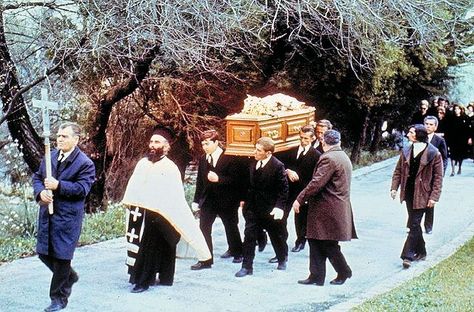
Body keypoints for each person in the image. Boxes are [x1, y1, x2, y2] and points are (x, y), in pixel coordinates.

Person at [122, 130, 211, 293]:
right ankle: (144, 278)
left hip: (163, 213)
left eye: (157, 142)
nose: (152, 145)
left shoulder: (170, 167)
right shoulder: (142, 163)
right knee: (146, 246)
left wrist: (167, 210)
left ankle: (148, 280)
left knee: (161, 244)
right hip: (142, 212)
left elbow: (175, 195)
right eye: (151, 142)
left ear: (166, 146)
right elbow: (133, 187)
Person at [32, 122, 95, 312]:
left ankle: (58, 298)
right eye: (58, 136)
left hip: (67, 218)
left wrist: (59, 185)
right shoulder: (49, 157)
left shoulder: (84, 163)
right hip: (48, 215)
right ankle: (70, 276)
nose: (59, 139)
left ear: (76, 140)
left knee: (61, 257)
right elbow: (37, 177)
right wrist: (41, 192)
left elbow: (82, 189)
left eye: (64, 136)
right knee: (43, 252)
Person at [292, 130, 357, 286]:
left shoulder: (328, 158)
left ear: (323, 142)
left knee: (328, 243)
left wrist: (299, 199)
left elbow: (316, 183)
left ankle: (343, 271)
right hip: (331, 207)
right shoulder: (342, 155)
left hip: (327, 208)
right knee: (314, 239)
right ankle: (316, 275)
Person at [391, 125, 443, 269]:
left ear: (418, 135)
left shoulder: (434, 153)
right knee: (415, 223)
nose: (408, 134)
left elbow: (438, 178)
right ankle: (422, 251)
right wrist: (394, 188)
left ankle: (407, 255)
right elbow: (398, 171)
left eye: (411, 132)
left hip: (424, 194)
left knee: (413, 223)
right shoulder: (407, 150)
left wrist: (434, 197)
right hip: (408, 192)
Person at [235, 137, 289, 277]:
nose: (255, 152)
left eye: (259, 150)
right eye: (255, 149)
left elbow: (283, 190)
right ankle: (247, 267)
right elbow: (247, 184)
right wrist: (243, 200)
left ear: (268, 153)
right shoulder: (253, 163)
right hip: (253, 207)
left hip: (270, 209)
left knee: (276, 235)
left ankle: (282, 258)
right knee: (249, 236)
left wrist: (279, 207)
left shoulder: (278, 166)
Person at [190, 130, 244, 270]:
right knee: (204, 228)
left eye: (207, 144)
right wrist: (196, 200)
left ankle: (237, 251)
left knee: (230, 226)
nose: (204, 147)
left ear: (216, 142)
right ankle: (206, 259)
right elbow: (200, 182)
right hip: (209, 200)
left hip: (227, 199)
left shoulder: (230, 157)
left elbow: (237, 180)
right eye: (202, 144)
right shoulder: (203, 158)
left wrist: (219, 179)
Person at [278, 125, 321, 253]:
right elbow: (281, 165)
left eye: (306, 138)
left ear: (313, 138)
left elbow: (315, 177)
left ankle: (300, 241)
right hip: (289, 190)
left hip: (303, 191)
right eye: (301, 137)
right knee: (281, 216)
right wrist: (288, 171)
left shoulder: (316, 155)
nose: (303, 141)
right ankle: (281, 241)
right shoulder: (291, 151)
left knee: (301, 218)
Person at [423, 116, 448, 234]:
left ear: (435, 127)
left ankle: (428, 226)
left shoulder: (439, 140)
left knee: (430, 201)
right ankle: (413, 224)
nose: (428, 126)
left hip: (432, 175)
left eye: (431, 124)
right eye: (426, 124)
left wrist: (441, 173)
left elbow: (444, 158)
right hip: (420, 174)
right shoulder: (419, 138)